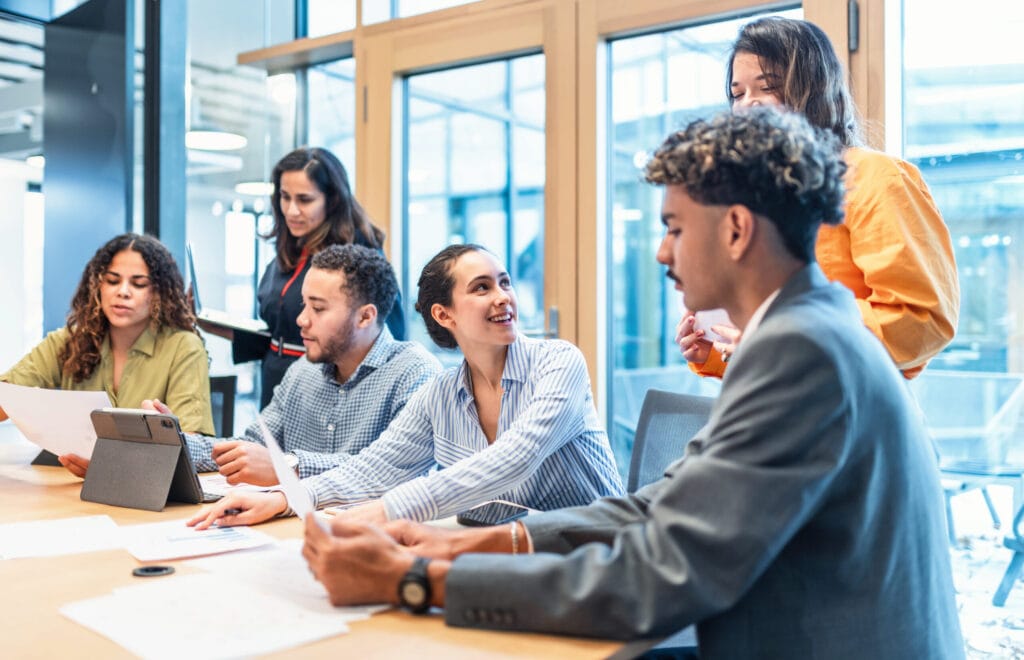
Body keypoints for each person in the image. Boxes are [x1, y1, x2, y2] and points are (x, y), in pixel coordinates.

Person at [296, 110, 964, 659]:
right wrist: (479, 542)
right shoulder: (809, 328)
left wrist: (416, 580)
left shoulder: (800, 351)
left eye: (674, 228)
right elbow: (663, 503)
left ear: (736, 230)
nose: (662, 252)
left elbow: (662, 572)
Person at [189, 244, 623, 528]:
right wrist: (287, 497)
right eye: (482, 288)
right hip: (506, 559)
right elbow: (376, 468)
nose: (503, 296)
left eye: (504, 282)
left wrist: (385, 510)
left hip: (598, 557)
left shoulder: (558, 362)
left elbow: (513, 460)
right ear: (444, 315)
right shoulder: (442, 394)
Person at [677, 16, 959, 379]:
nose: (747, 105)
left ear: (813, 90)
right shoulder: (759, 197)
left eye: (768, 87)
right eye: (737, 94)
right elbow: (764, 332)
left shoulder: (875, 177)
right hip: (780, 403)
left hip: (853, 403)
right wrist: (717, 350)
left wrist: (786, 331)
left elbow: (922, 319)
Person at [148, 244, 441, 485]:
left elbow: (389, 467)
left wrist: (287, 466)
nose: (301, 319)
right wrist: (176, 441)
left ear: (365, 317)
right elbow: (251, 446)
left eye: (318, 308)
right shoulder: (303, 370)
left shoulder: (415, 373)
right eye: (304, 305)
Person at [200, 147, 406, 409]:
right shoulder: (290, 249)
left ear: (332, 200)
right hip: (276, 381)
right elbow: (279, 335)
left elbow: (389, 337)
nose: (292, 211)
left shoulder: (359, 258)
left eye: (305, 200)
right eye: (285, 197)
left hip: (328, 388)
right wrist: (210, 323)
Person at [1, 233, 214, 477]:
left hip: (146, 484)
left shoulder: (184, 347)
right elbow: (6, 395)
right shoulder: (70, 340)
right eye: (112, 281)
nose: (123, 291)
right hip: (68, 482)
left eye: (139, 284)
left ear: (159, 293)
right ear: (97, 285)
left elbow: (192, 446)